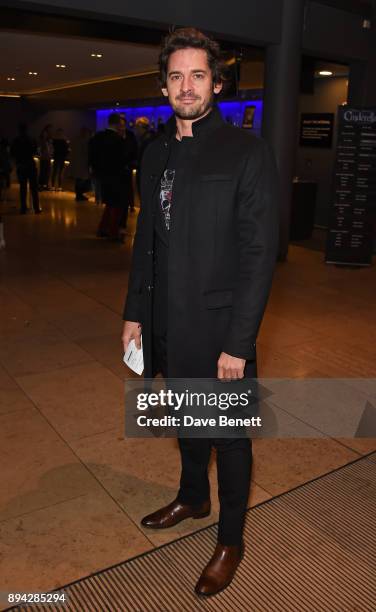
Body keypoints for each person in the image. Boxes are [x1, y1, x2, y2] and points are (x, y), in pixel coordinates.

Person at [122, 28, 279, 596]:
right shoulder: (155, 151)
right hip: (165, 323)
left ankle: (231, 539)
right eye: (175, 76)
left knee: (229, 440)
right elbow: (146, 240)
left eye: (197, 75)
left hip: (219, 330)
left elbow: (260, 256)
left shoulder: (246, 151)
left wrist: (239, 343)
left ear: (217, 82)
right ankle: (193, 497)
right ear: (163, 85)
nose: (186, 86)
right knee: (183, 420)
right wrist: (135, 313)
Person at [89, 113, 135, 240]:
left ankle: (103, 229)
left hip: (103, 176)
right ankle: (112, 232)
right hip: (117, 176)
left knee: (110, 204)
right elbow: (123, 158)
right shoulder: (118, 139)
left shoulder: (98, 137)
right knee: (117, 205)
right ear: (118, 124)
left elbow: (92, 156)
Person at [11, 123, 41, 214]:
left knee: (23, 188)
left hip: (21, 165)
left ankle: (23, 208)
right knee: (34, 188)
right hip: (31, 165)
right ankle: (36, 208)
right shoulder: (31, 139)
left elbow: (12, 153)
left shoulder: (16, 140)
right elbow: (35, 151)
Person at [69, 127, 91, 202]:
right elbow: (86, 152)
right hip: (82, 164)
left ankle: (78, 195)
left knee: (78, 180)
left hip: (76, 164)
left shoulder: (75, 140)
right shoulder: (85, 141)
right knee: (82, 181)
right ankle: (79, 195)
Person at [38, 124, 53, 190]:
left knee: (46, 171)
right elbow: (42, 148)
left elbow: (50, 148)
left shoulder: (49, 139)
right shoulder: (43, 140)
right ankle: (41, 185)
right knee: (43, 171)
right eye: (50, 129)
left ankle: (44, 185)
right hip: (44, 157)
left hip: (47, 156)